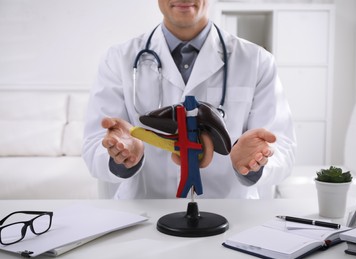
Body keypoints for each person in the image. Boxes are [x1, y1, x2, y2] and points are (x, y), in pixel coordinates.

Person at [82, 0, 296, 199]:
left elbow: (282, 147)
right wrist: (121, 155)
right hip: (145, 213)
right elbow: (95, 145)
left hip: (230, 213)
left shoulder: (256, 60)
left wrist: (255, 161)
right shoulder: (118, 58)